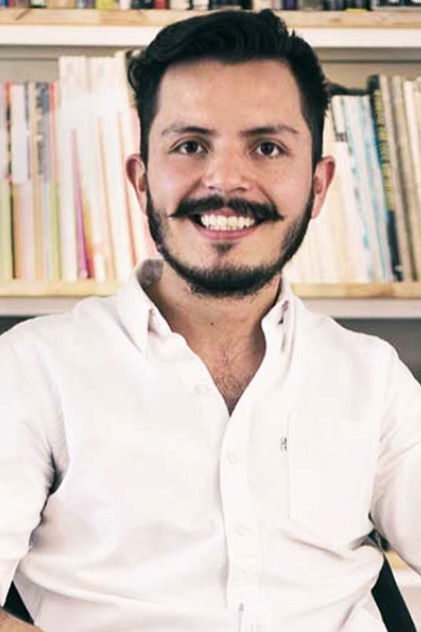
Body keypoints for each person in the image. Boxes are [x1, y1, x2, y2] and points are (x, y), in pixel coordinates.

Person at [0, 9, 420, 632]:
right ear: (141, 181)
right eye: (190, 146)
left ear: (318, 184)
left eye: (267, 147)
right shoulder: (32, 369)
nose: (225, 181)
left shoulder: (374, 379)